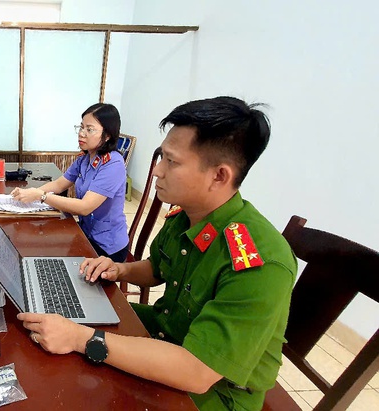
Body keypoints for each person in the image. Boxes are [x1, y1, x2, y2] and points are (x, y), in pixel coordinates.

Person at [17, 96, 296, 411]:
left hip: (214, 393)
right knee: (56, 327)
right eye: (161, 157)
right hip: (164, 334)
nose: (157, 172)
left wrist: (81, 339)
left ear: (219, 176)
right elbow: (156, 269)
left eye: (171, 162)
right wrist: (119, 270)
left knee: (71, 378)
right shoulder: (186, 216)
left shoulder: (259, 261)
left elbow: (197, 373)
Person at [11, 103, 129, 262]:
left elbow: (85, 207)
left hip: (107, 247)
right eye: (81, 127)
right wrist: (30, 192)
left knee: (52, 255)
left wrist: (41, 196)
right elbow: (59, 184)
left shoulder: (113, 163)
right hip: (86, 233)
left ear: (107, 135)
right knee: (41, 240)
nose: (82, 133)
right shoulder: (84, 159)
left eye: (89, 129)